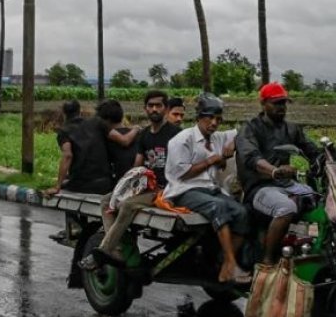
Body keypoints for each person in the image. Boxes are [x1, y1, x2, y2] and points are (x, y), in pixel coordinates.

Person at [80, 90, 180, 270]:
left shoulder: (175, 134)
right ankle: (115, 250)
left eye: (159, 105)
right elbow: (137, 165)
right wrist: (124, 187)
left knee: (127, 205)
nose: (154, 109)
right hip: (147, 185)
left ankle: (103, 251)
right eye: (151, 106)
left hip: (166, 188)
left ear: (166, 109)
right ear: (145, 109)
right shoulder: (144, 135)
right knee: (107, 201)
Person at [163, 94, 251, 284]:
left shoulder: (218, 138)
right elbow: (181, 174)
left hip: (210, 189)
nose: (214, 123)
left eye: (218, 119)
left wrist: (233, 142)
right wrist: (211, 160)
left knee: (242, 212)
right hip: (184, 191)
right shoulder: (182, 140)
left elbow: (246, 129)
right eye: (209, 118)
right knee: (218, 207)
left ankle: (224, 264)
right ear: (198, 118)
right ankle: (230, 263)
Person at [235, 82, 321, 265]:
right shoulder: (250, 128)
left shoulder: (291, 128)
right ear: (263, 104)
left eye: (284, 103)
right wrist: (274, 171)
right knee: (286, 208)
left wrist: (331, 160)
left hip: (286, 185)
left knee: (322, 202)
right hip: (259, 187)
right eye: (277, 103)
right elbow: (251, 157)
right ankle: (268, 261)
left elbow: (311, 150)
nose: (282, 107)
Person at [46, 100, 140, 197]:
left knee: (67, 185)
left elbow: (67, 155)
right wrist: (136, 129)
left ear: (63, 113)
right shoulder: (97, 122)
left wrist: (57, 186)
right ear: (80, 111)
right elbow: (124, 141)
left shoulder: (64, 131)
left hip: (81, 185)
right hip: (104, 184)